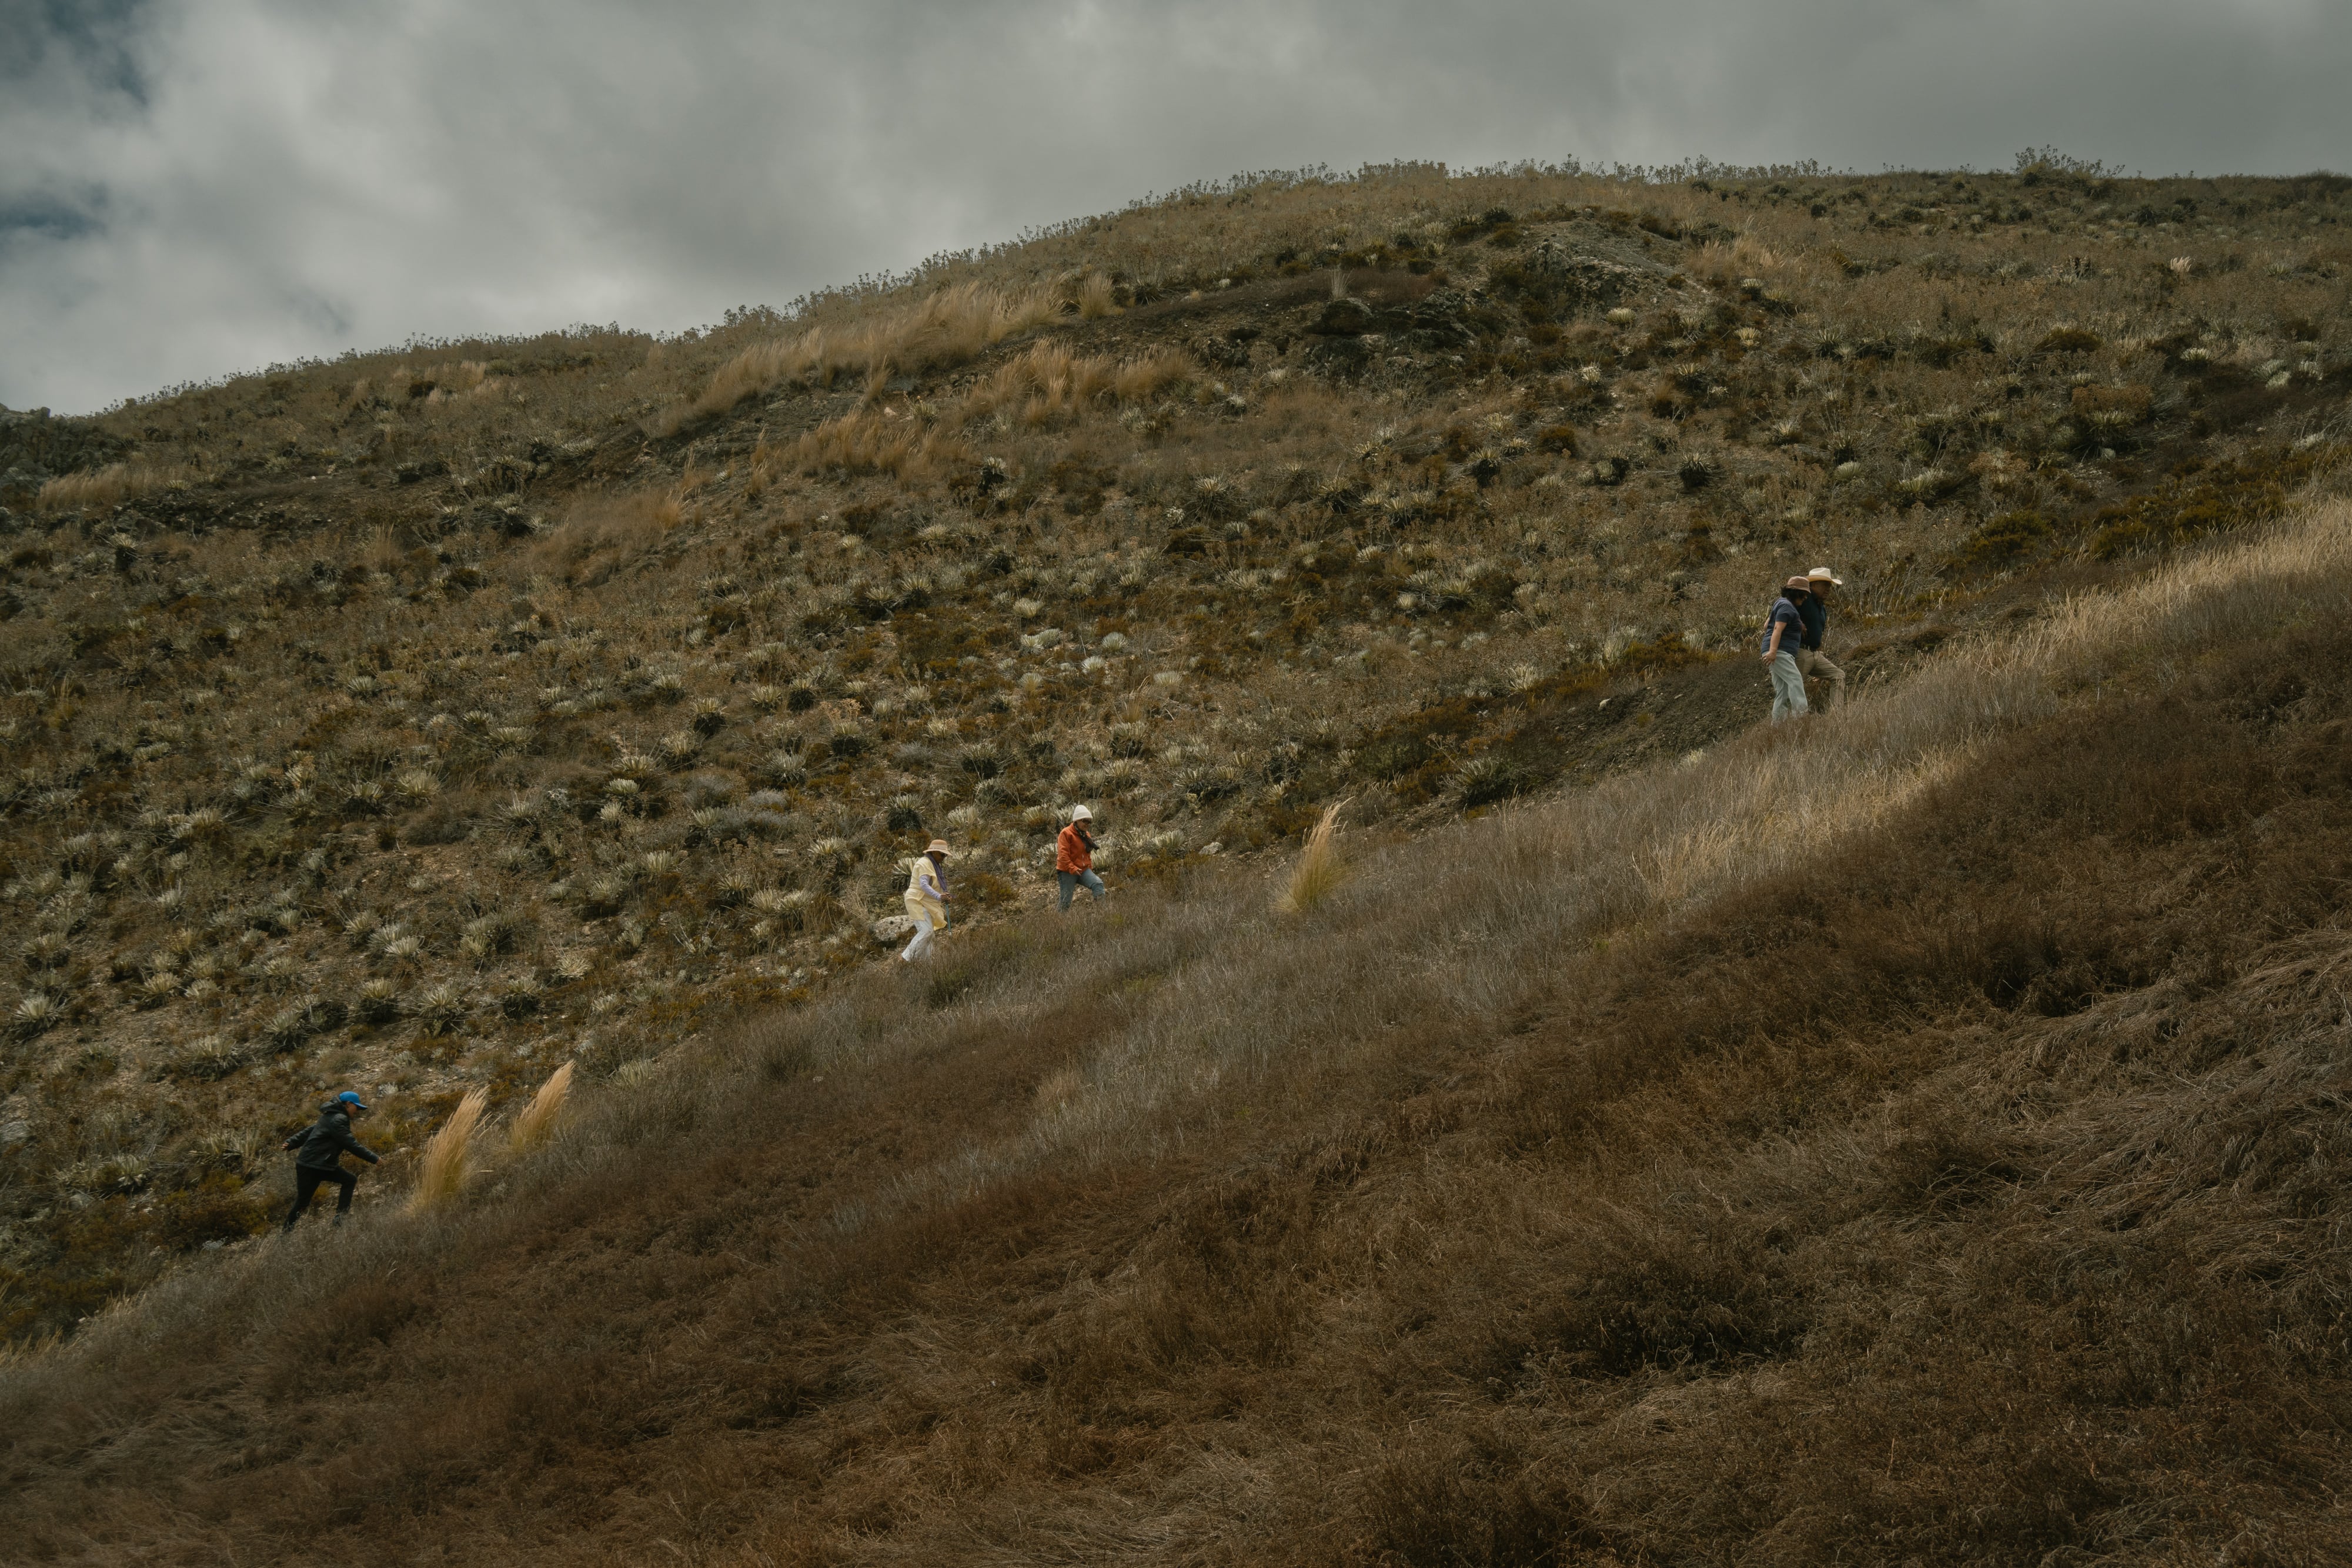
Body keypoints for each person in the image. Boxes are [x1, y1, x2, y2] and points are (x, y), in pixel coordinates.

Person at [282, 1091, 379, 1231]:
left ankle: (339, 1219)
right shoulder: (339, 1119)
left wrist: (292, 1142)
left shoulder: (330, 1115)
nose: (358, 1111)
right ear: (348, 1104)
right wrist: (375, 1159)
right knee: (303, 1202)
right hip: (311, 1166)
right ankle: (286, 1234)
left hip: (321, 1165)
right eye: (356, 1107)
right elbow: (351, 1144)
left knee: (349, 1180)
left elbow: (312, 1130)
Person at [1796, 565, 1846, 712]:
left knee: (1838, 675)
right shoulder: (1803, 598)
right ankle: (1783, 725)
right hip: (1800, 654)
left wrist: (1819, 651)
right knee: (1792, 690)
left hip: (1815, 654)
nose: (1828, 589)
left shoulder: (1822, 607)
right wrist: (1798, 622)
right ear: (1813, 585)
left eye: (1830, 586)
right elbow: (1783, 608)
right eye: (1825, 585)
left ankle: (1835, 719)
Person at [1762, 576, 1811, 723]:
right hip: (1780, 652)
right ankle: (1802, 717)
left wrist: (1797, 624)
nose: (1805, 599)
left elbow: (1767, 626)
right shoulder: (1787, 607)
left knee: (1782, 692)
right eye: (1804, 595)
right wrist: (1773, 651)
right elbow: (1777, 628)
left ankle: (1777, 727)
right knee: (1795, 680)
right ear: (1796, 593)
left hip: (1776, 651)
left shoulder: (1781, 604)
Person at [901, 838, 951, 961]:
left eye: (945, 855)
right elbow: (923, 884)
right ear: (934, 852)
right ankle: (905, 959)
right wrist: (939, 897)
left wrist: (944, 897)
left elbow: (934, 886)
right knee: (926, 931)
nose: (943, 857)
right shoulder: (924, 863)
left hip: (926, 902)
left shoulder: (934, 866)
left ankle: (928, 966)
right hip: (917, 900)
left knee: (930, 936)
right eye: (942, 854)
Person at [1056, 804, 1107, 911]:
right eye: (1085, 821)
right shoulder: (1066, 833)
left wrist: (1089, 869)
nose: (1087, 824)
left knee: (1098, 884)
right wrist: (1072, 868)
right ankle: (1058, 924)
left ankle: (1103, 914)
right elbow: (1063, 854)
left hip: (1083, 870)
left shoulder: (1086, 834)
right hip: (1067, 871)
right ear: (1077, 821)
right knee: (1066, 901)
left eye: (1089, 822)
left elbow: (1087, 854)